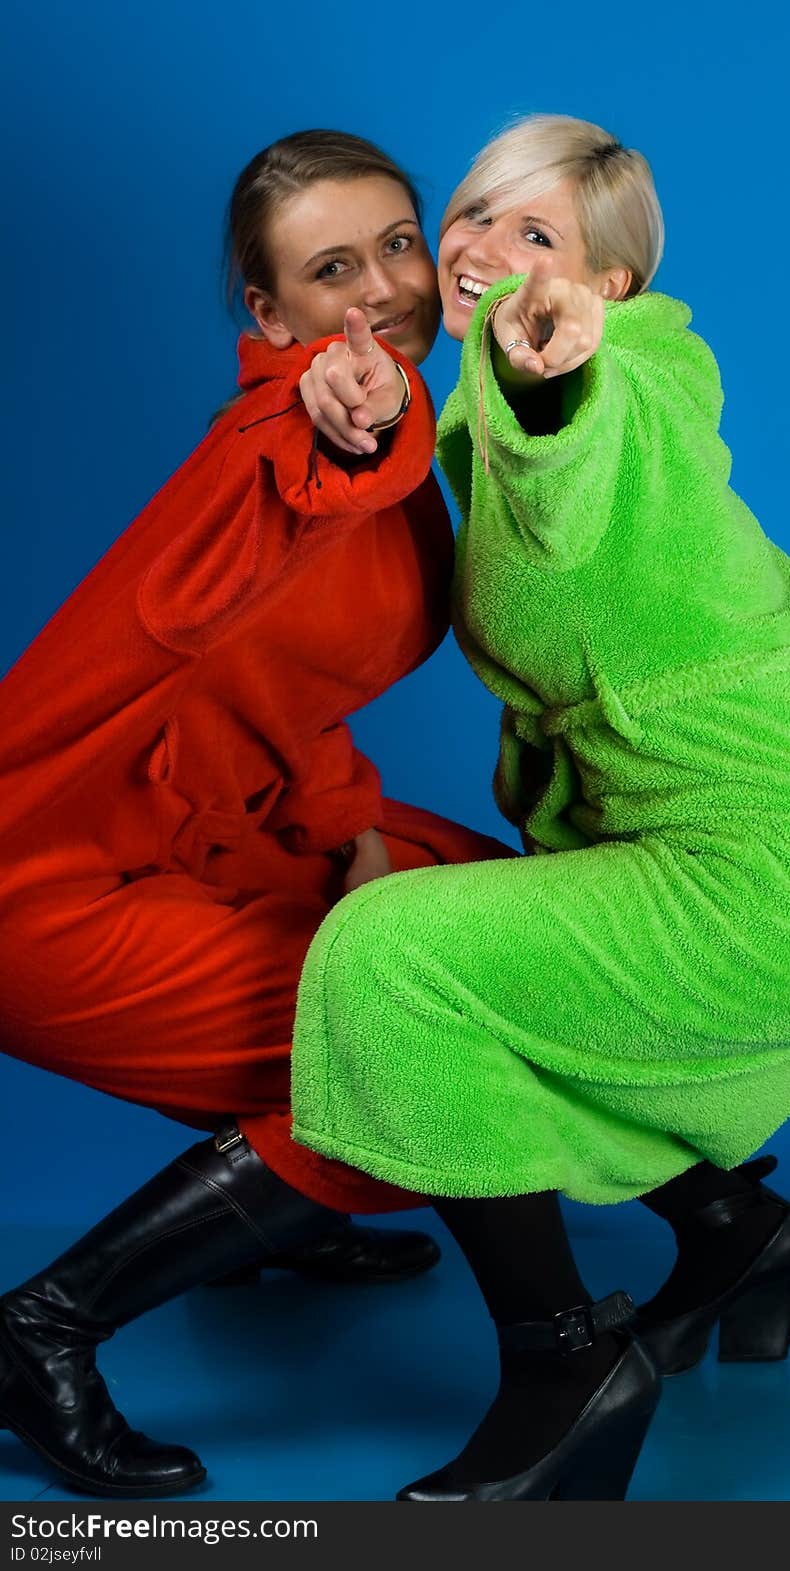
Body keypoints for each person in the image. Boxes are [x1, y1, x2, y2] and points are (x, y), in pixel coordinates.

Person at [291, 114, 790, 1500]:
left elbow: (585, 439)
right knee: (473, 951)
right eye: (477, 215)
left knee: (391, 959)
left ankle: (568, 1366)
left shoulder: (624, 368)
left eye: (539, 236)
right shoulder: (460, 404)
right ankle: (736, 1234)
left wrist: (551, 374)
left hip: (784, 863)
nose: (487, 252)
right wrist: (355, 403)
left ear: (608, 287)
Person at [0, 129, 508, 1497]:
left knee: (481, 890)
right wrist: (358, 409)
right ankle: (40, 1332)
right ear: (270, 319)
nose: (384, 293)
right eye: (330, 273)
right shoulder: (292, 432)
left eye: (398, 244)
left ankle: (275, 1225)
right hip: (41, 887)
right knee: (425, 1021)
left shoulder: (410, 418)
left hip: (196, 817)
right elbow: (326, 458)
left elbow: (280, 685)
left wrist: (355, 837)